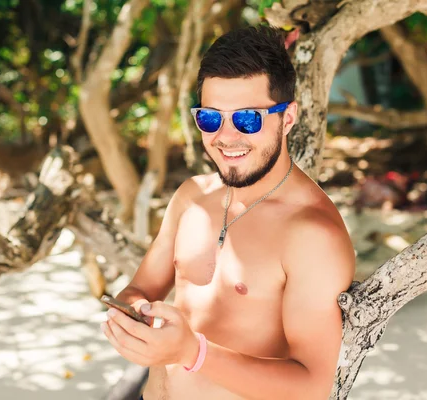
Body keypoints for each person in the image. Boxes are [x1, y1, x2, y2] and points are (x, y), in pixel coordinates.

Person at [100, 25, 356, 400]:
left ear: (287, 119)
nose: (226, 136)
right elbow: (139, 290)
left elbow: (311, 386)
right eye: (210, 118)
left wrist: (191, 352)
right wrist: (136, 319)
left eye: (248, 119)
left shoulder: (312, 234)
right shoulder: (192, 198)